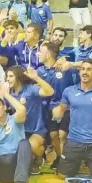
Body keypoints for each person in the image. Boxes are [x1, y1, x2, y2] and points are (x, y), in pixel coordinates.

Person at [52, 59, 92, 182]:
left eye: (89, 69)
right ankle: (77, 166)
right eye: (83, 69)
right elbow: (61, 108)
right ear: (79, 72)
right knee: (62, 176)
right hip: (73, 142)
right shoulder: (69, 91)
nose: (85, 72)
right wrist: (57, 112)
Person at [5, 66, 54, 175]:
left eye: (11, 76)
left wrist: (37, 78)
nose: (7, 79)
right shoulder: (9, 93)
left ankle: (39, 157)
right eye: (7, 76)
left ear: (19, 76)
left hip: (36, 130)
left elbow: (50, 92)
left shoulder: (31, 89)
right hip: (19, 130)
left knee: (28, 148)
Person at [36, 42, 77, 170]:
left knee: (62, 135)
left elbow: (88, 64)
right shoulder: (39, 71)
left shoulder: (65, 67)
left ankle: (68, 160)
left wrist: (69, 63)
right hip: (48, 108)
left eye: (41, 51)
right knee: (53, 135)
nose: (38, 54)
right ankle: (60, 158)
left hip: (67, 107)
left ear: (48, 54)